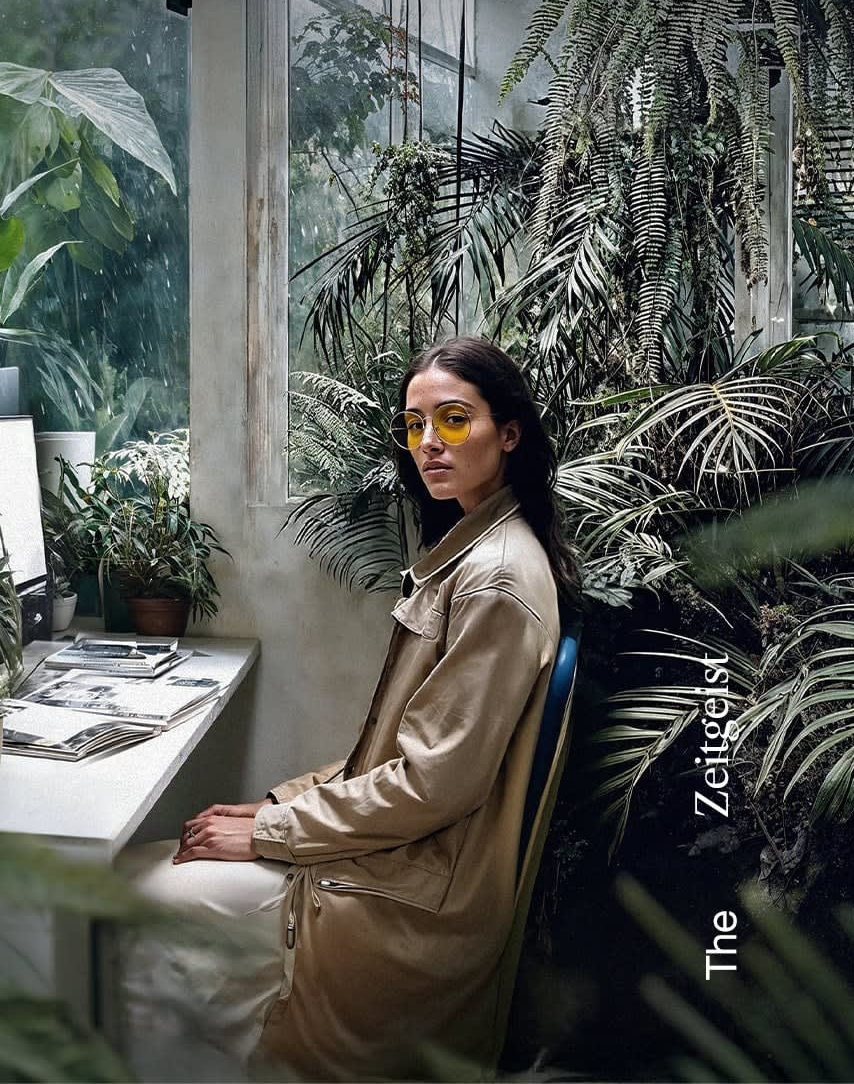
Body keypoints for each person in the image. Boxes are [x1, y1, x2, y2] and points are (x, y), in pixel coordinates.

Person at [116, 336, 579, 1082]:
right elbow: (393, 761)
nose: (429, 443)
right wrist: (274, 803)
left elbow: (432, 785)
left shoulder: (494, 580)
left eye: (454, 421)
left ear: (510, 432)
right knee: (152, 863)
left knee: (136, 899)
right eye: (415, 425)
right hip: (397, 857)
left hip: (403, 898)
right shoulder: (476, 550)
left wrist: (270, 830)